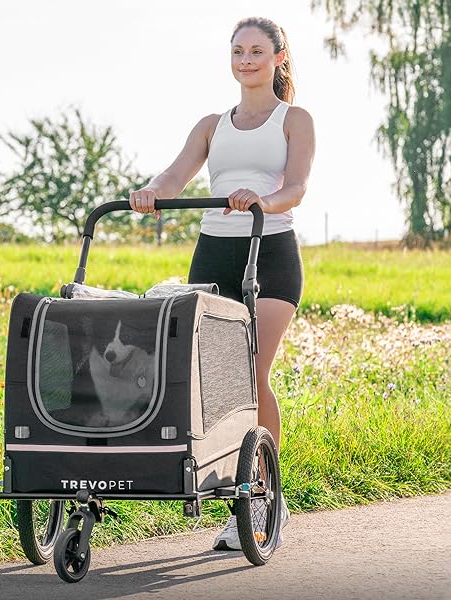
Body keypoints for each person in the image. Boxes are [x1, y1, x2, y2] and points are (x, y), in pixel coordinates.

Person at [129, 16, 314, 552]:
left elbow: (297, 186)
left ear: (278, 57)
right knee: (214, 380)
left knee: (251, 372)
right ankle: (225, 486)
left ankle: (261, 496)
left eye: (257, 51)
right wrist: (150, 192)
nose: (246, 60)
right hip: (213, 251)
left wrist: (263, 200)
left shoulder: (293, 119)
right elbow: (174, 175)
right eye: (238, 51)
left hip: (270, 249)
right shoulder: (213, 124)